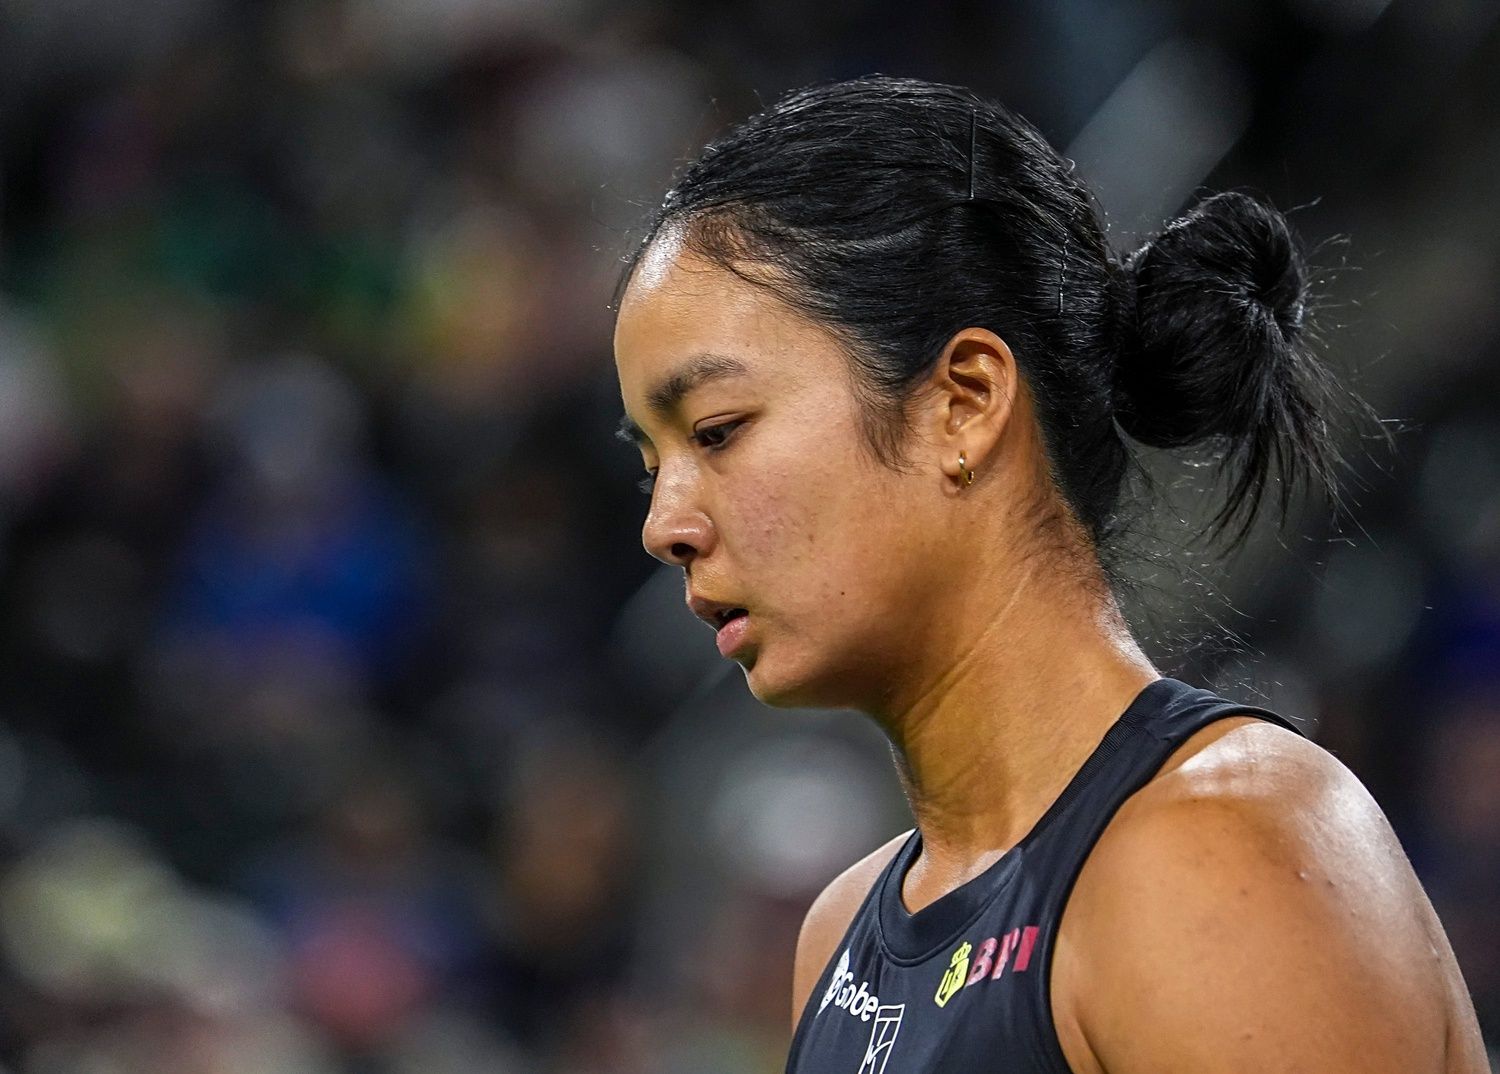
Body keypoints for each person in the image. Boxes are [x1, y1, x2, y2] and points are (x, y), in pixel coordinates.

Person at [610, 76, 1487, 1073]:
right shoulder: (840, 938)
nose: (663, 524)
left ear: (966, 403)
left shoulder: (1212, 855)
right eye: (651, 464)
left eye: (718, 431)